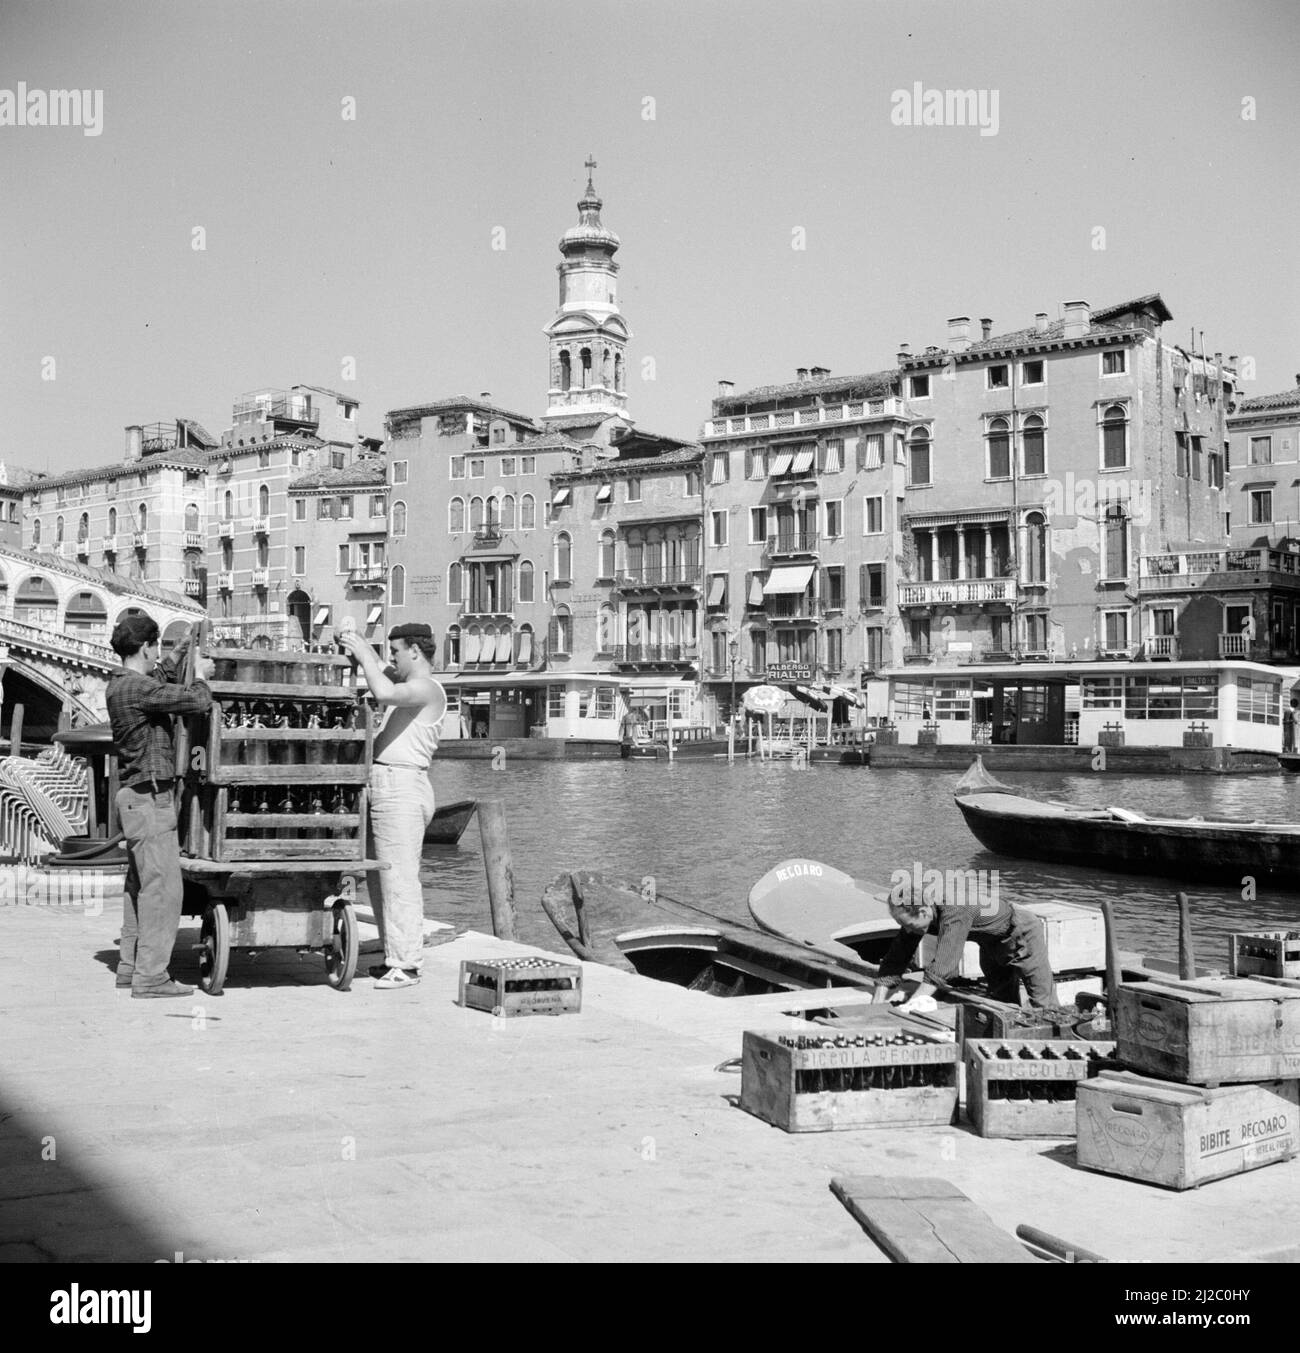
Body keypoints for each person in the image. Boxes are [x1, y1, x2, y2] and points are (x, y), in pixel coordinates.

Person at [106, 616, 214, 997]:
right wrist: (201, 673)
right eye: (156, 649)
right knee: (164, 891)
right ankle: (151, 977)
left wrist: (183, 646)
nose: (158, 657)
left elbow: (161, 679)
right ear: (147, 647)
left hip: (134, 798)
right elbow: (196, 701)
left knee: (139, 888)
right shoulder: (139, 688)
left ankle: (131, 967)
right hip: (151, 799)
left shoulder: (122, 685)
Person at [338, 622, 446, 989]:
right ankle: (392, 956)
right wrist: (360, 651)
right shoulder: (409, 685)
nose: (393, 658)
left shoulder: (427, 688)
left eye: (397, 651)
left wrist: (363, 649)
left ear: (415, 651)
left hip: (402, 785)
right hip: (387, 784)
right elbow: (384, 673)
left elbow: (382, 690)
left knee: (399, 877)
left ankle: (407, 964)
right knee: (380, 875)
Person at [874, 890, 1057, 1013]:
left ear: (923, 911)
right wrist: (876, 1003)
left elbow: (944, 966)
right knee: (1001, 1001)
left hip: (1020, 931)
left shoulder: (954, 910)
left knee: (1043, 1002)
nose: (908, 931)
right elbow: (897, 956)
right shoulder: (918, 917)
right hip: (990, 941)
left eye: (910, 925)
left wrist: (910, 1006)